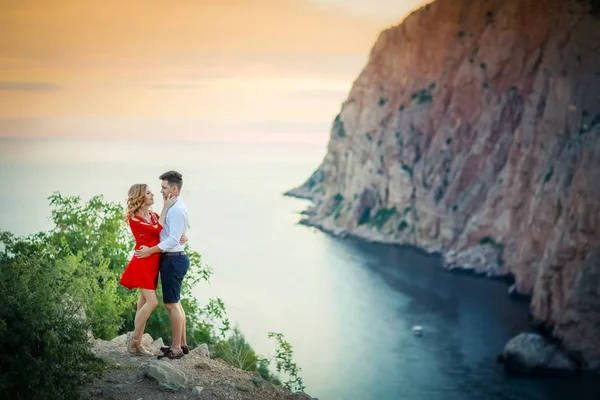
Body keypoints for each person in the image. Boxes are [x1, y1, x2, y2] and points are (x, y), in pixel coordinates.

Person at [119, 183, 183, 356]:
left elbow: (163, 233)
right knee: (152, 302)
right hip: (142, 263)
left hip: (153, 262)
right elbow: (156, 229)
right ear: (140, 197)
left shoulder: (153, 215)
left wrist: (180, 237)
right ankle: (133, 341)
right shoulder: (135, 219)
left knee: (142, 304)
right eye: (148, 193)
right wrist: (166, 207)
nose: (153, 194)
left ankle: (137, 345)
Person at [135, 170, 190, 360]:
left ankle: (176, 348)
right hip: (173, 257)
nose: (161, 191)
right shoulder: (175, 206)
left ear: (174, 189)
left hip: (173, 259)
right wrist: (182, 238)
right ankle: (181, 344)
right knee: (175, 302)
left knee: (171, 304)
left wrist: (149, 251)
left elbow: (172, 238)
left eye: (164, 188)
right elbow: (169, 233)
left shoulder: (175, 209)